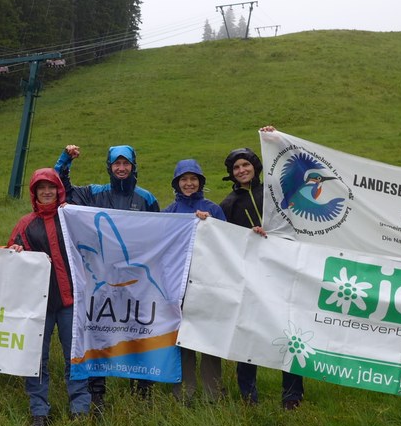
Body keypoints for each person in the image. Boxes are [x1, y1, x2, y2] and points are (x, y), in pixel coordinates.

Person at [53, 143, 160, 411]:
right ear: (109, 167)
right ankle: (97, 392)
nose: (121, 168)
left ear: (134, 166)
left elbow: (161, 234)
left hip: (137, 282)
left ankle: (142, 390)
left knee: (137, 330)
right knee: (100, 330)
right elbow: (61, 190)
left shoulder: (146, 198)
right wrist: (65, 159)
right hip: (100, 280)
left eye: (126, 164)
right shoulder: (95, 193)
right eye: (116, 164)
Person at [219, 126, 305, 410]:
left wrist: (276, 138)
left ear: (255, 167)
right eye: (236, 167)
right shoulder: (229, 203)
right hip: (249, 278)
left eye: (246, 165)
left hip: (282, 273)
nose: (241, 170)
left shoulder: (274, 190)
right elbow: (223, 241)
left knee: (289, 331)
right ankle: (248, 397)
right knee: (248, 335)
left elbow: (297, 173)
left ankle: (292, 396)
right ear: (231, 174)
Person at [9, 169, 91, 426]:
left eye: (51, 187)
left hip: (69, 302)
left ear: (58, 189)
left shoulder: (71, 219)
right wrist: (14, 252)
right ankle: (39, 411)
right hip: (39, 305)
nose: (47, 192)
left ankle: (80, 407)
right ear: (34, 193)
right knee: (36, 359)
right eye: (41, 188)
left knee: (74, 356)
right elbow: (11, 258)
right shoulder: (24, 224)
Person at [163, 159, 227, 403]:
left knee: (209, 339)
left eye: (193, 179)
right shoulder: (169, 212)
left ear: (200, 181)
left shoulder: (214, 209)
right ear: (177, 183)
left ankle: (213, 394)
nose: (189, 184)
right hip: (178, 287)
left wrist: (209, 224)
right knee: (183, 339)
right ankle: (184, 394)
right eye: (184, 179)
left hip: (208, 285)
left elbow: (226, 245)